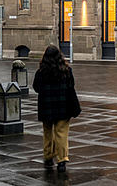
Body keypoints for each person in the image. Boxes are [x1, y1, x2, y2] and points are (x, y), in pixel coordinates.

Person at [32, 44, 82, 172]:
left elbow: (36, 87)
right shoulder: (66, 70)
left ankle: (48, 156)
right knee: (61, 133)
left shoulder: (41, 72)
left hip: (47, 106)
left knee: (47, 132)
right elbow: (71, 86)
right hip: (63, 106)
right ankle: (62, 160)